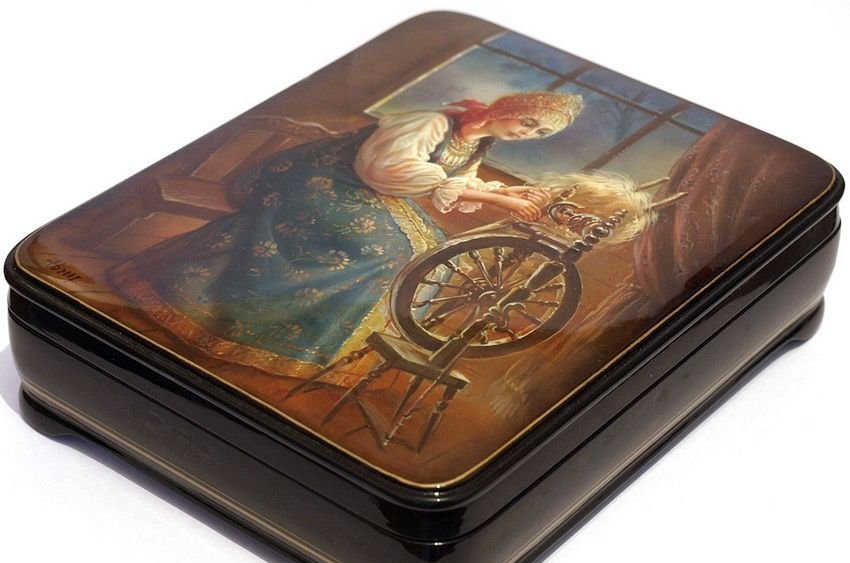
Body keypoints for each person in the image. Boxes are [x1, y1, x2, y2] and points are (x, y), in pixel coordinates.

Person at [108, 91, 584, 380]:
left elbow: (455, 183)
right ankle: (242, 317)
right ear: (509, 107)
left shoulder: (479, 140)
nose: (529, 132)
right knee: (387, 250)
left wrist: (503, 192)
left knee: (430, 250)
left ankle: (312, 341)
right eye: (528, 121)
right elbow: (386, 170)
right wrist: (499, 201)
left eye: (540, 133)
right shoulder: (430, 122)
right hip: (319, 182)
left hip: (361, 191)